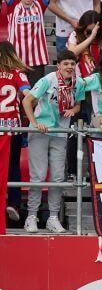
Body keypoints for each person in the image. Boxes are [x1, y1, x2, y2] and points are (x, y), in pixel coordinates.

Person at [21, 49, 86, 233]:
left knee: (58, 176)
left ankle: (53, 217)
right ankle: (31, 216)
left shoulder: (78, 83)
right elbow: (27, 101)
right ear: (59, 65)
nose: (69, 67)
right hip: (40, 131)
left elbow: (78, 104)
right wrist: (34, 123)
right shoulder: (48, 80)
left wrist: (74, 110)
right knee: (38, 175)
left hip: (60, 132)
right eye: (65, 63)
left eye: (72, 64)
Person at [0, 41, 31, 224]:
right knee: (12, 166)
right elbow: (27, 93)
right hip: (13, 127)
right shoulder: (18, 73)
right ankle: (13, 202)